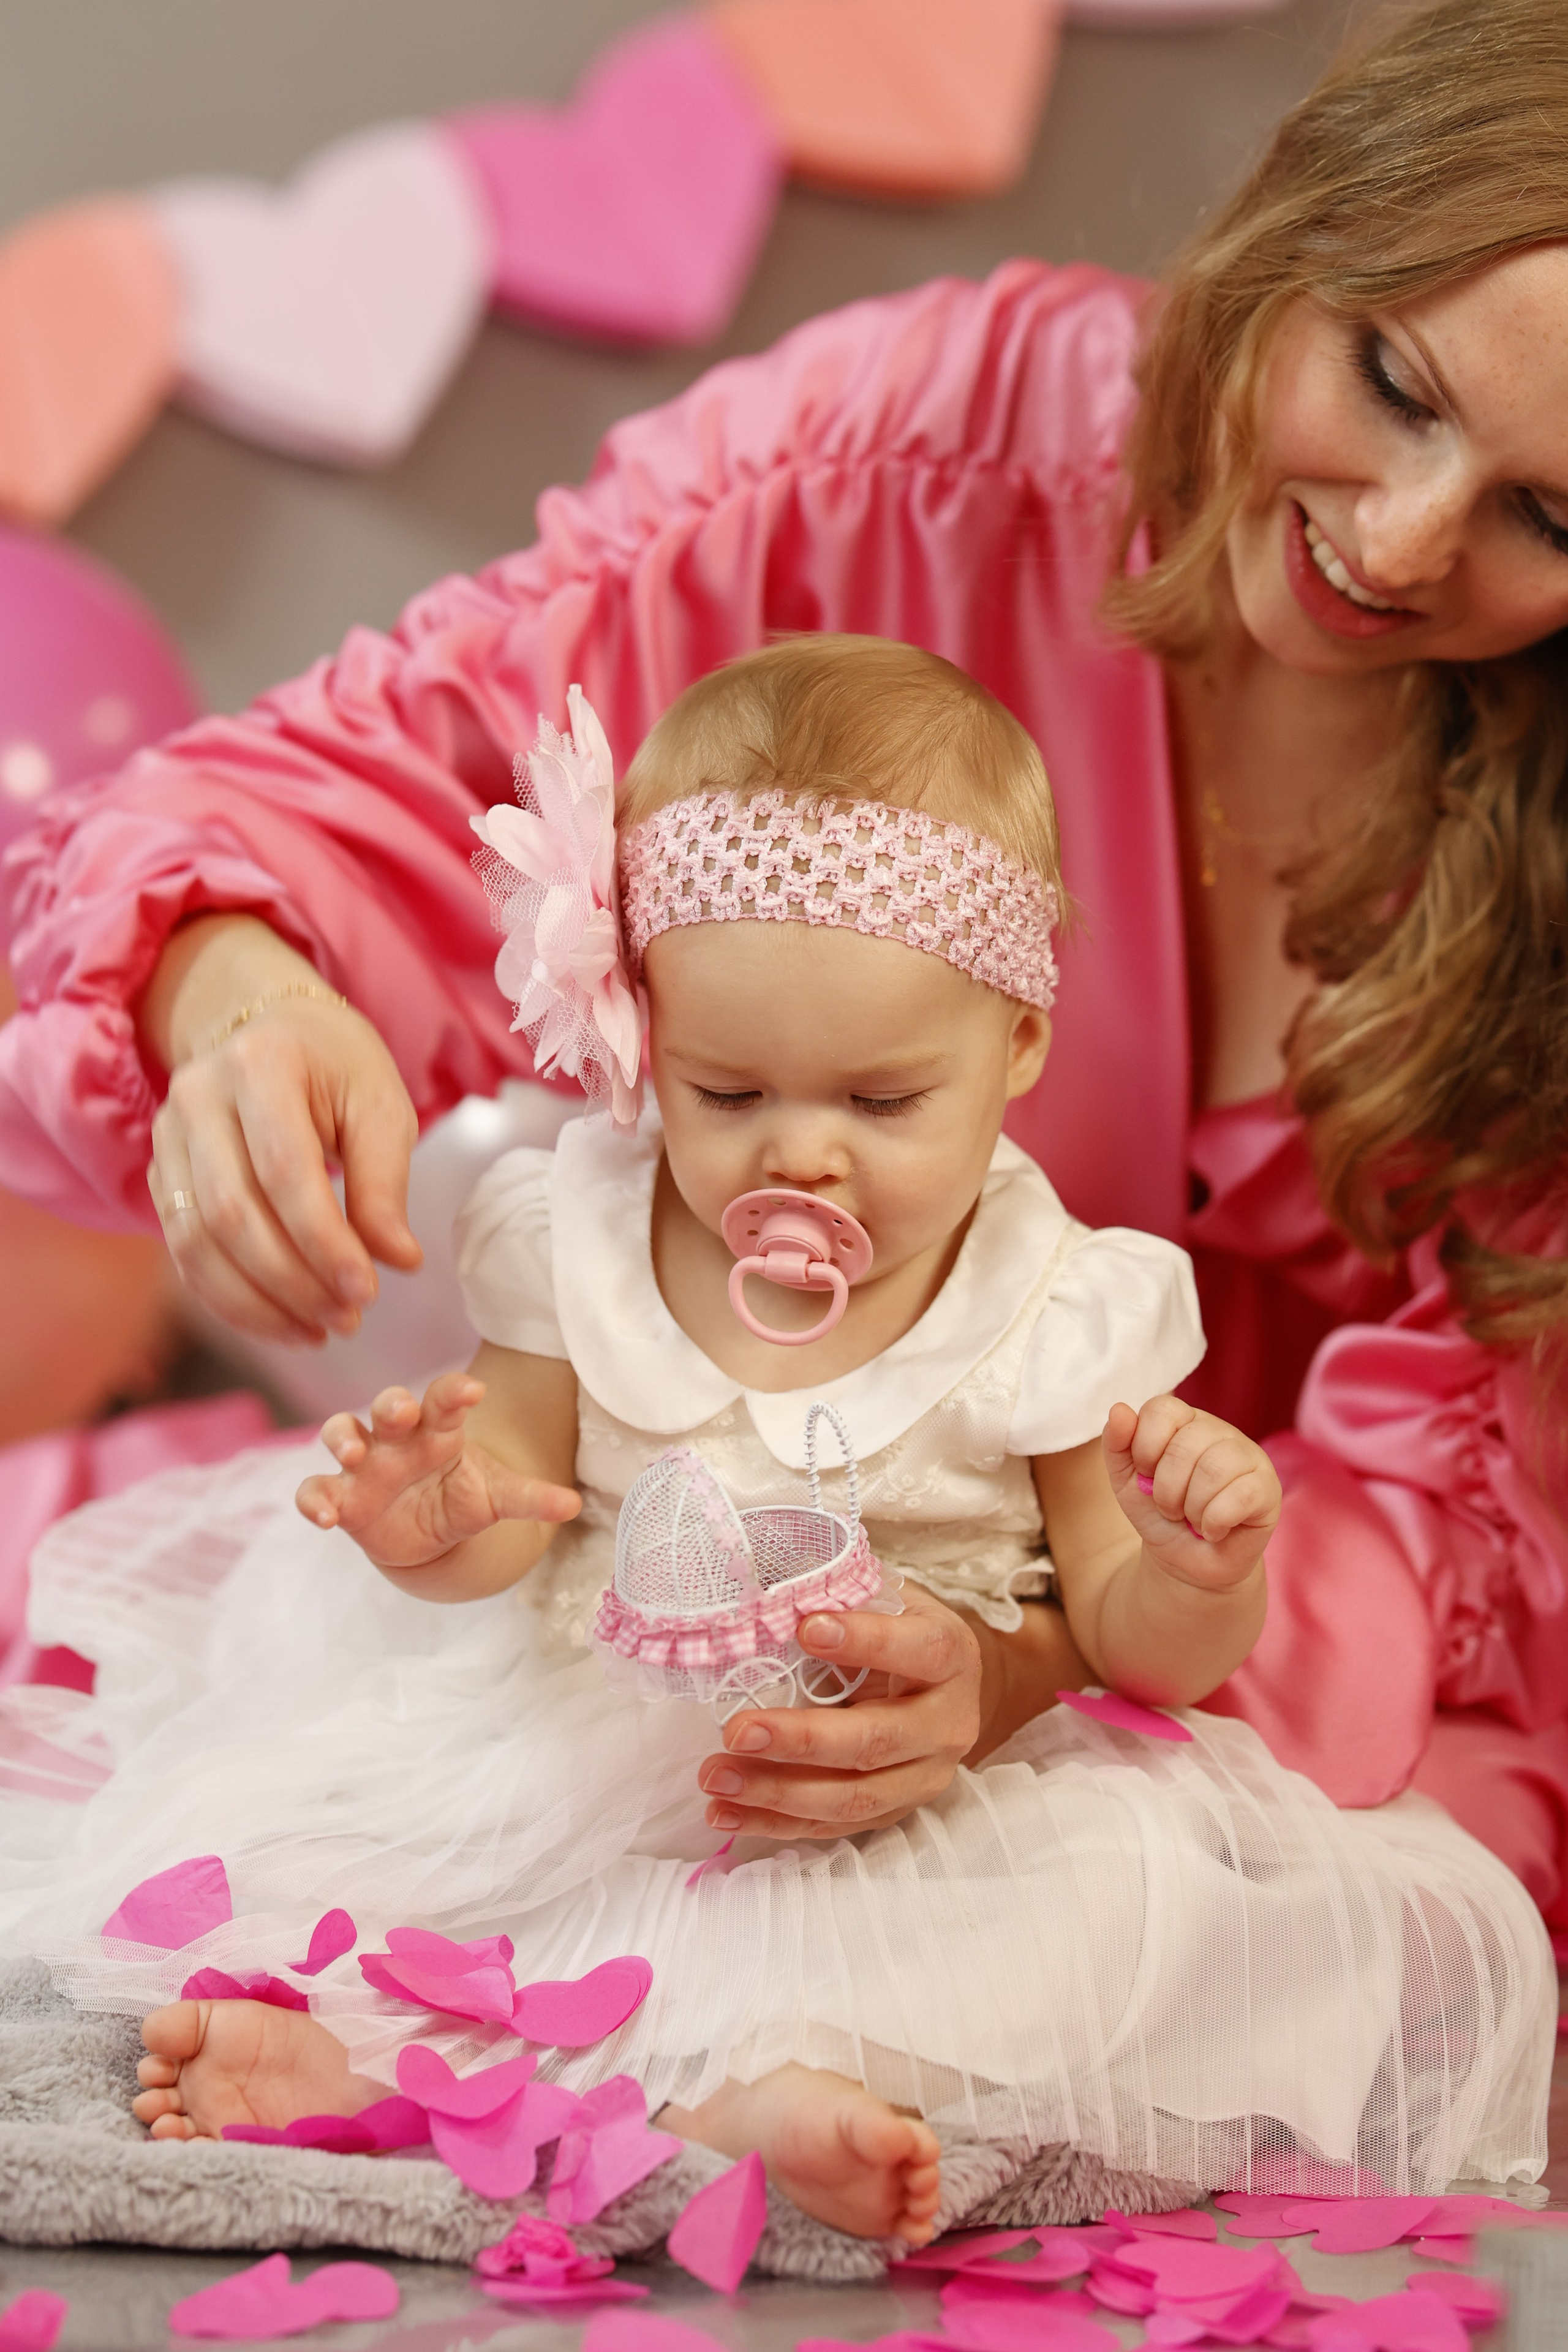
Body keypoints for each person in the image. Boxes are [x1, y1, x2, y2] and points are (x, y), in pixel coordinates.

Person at [2, 0, 1567, 1906]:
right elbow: (409, 760)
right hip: (754, 1603)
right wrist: (234, 978)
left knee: (1300, 1933)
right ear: (1301, 232)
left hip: (1257, 1670)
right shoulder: (917, 463)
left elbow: (1469, 1529)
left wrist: (1040, 1651)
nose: (1404, 543)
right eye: (1393, 385)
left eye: (1546, 514)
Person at [1, 646, 1548, 2229]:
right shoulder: (583, 1233)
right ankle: (395, 2059)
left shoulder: (1059, 1301)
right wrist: (436, 1518)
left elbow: (1130, 1646)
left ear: (1016, 1047)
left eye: (884, 1104)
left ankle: (729, 2088)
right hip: (584, 1738)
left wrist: (1195, 1564)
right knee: (396, 1866)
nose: (802, 1153)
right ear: (645, 1033)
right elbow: (514, 1507)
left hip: (922, 1794)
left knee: (1108, 1922)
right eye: (725, 1087)